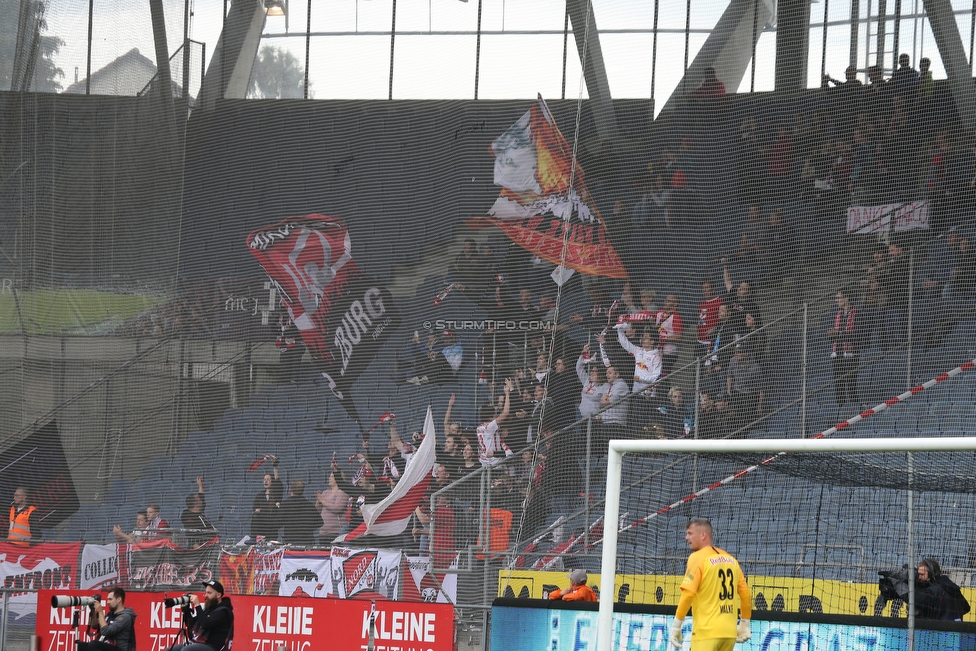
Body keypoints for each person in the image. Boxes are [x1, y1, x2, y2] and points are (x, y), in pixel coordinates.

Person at [670, 519, 752, 651]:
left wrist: (676, 625)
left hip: (706, 633)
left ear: (703, 535)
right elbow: (745, 593)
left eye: (690, 533)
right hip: (729, 633)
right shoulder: (731, 559)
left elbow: (688, 594)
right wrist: (745, 623)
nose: (686, 537)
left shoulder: (697, 557)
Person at [167, 580, 234, 651]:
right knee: (170, 650)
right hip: (198, 643)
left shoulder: (223, 612)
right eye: (206, 592)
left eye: (209, 593)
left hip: (213, 646)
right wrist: (186, 610)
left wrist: (197, 605)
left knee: (186, 650)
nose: (206, 595)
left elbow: (205, 624)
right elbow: (192, 624)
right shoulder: (209, 609)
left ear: (218, 595)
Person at [828, 289, 861, 405]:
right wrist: (831, 335)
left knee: (851, 384)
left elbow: (857, 335)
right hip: (838, 354)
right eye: (836, 298)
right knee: (839, 385)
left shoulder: (857, 313)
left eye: (839, 298)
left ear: (846, 299)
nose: (836, 300)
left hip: (851, 354)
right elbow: (835, 337)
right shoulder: (837, 314)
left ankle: (855, 409)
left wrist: (839, 334)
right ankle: (841, 408)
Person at [477, 379, 514, 467]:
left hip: (484, 461)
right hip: (494, 463)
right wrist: (507, 394)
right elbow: (505, 413)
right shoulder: (489, 427)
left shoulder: (480, 427)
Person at [279, 480, 322, 545]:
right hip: (307, 541)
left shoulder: (285, 504)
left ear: (291, 490)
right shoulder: (309, 505)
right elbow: (319, 522)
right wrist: (307, 529)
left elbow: (278, 522)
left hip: (290, 541)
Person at [250, 456, 283, 539]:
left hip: (272, 529)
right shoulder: (259, 496)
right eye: (264, 479)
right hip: (261, 529)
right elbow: (255, 509)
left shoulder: (276, 494)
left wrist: (275, 465)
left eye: (268, 479)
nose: (266, 481)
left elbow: (277, 480)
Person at [181, 477, 217, 548]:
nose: (201, 500)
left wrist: (200, 485)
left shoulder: (199, 511)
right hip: (200, 548)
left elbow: (201, 496)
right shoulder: (189, 517)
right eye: (199, 500)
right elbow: (189, 533)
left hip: (210, 544)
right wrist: (196, 546)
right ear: (197, 504)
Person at [315, 472, 349, 541]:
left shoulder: (342, 492)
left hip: (335, 532)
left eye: (332, 477)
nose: (329, 478)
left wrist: (322, 500)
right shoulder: (325, 492)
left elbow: (337, 508)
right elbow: (317, 510)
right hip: (323, 533)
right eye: (330, 476)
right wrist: (318, 501)